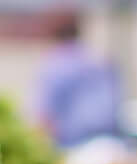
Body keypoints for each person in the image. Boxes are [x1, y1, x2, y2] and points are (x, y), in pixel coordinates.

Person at [33, 12, 120, 146]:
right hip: (108, 142)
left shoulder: (54, 65)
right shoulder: (100, 60)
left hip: (70, 146)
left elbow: (45, 115)